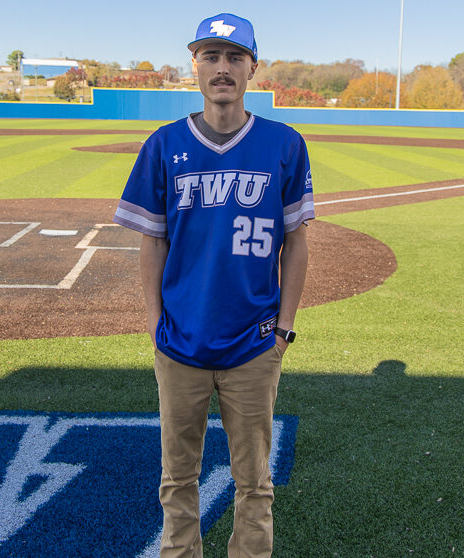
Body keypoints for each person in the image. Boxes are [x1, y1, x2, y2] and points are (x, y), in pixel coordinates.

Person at [112, 12, 314, 558]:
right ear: (195, 65)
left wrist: (284, 330)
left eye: (234, 57)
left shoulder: (284, 144)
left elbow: (296, 242)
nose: (222, 68)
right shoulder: (164, 145)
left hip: (255, 343)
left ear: (252, 67)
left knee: (255, 482)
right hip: (181, 342)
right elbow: (153, 241)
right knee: (178, 478)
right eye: (211, 56)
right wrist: (155, 323)